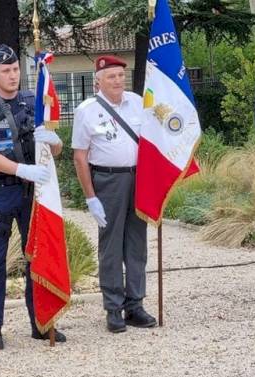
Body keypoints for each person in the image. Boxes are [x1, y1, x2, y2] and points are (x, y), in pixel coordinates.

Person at [0, 44, 65, 350]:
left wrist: (54, 141)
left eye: (15, 69)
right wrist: (21, 169)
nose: (12, 75)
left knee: (36, 257)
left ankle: (41, 322)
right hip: (0, 190)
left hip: (31, 194)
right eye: (5, 71)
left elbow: (56, 150)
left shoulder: (33, 100)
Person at [71, 55, 156, 333]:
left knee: (136, 244)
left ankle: (135, 304)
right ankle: (113, 307)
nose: (118, 81)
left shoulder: (137, 102)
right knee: (111, 247)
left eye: (121, 75)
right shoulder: (87, 110)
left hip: (139, 178)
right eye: (111, 77)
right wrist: (90, 197)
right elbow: (80, 157)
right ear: (98, 81)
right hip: (108, 180)